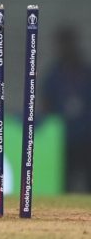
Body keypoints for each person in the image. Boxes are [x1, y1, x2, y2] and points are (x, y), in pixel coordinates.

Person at [43, 25, 91, 193]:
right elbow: (46, 103)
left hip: (87, 136)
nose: (65, 48)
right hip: (63, 137)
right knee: (65, 181)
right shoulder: (54, 74)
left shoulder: (86, 72)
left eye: (68, 43)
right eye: (62, 44)